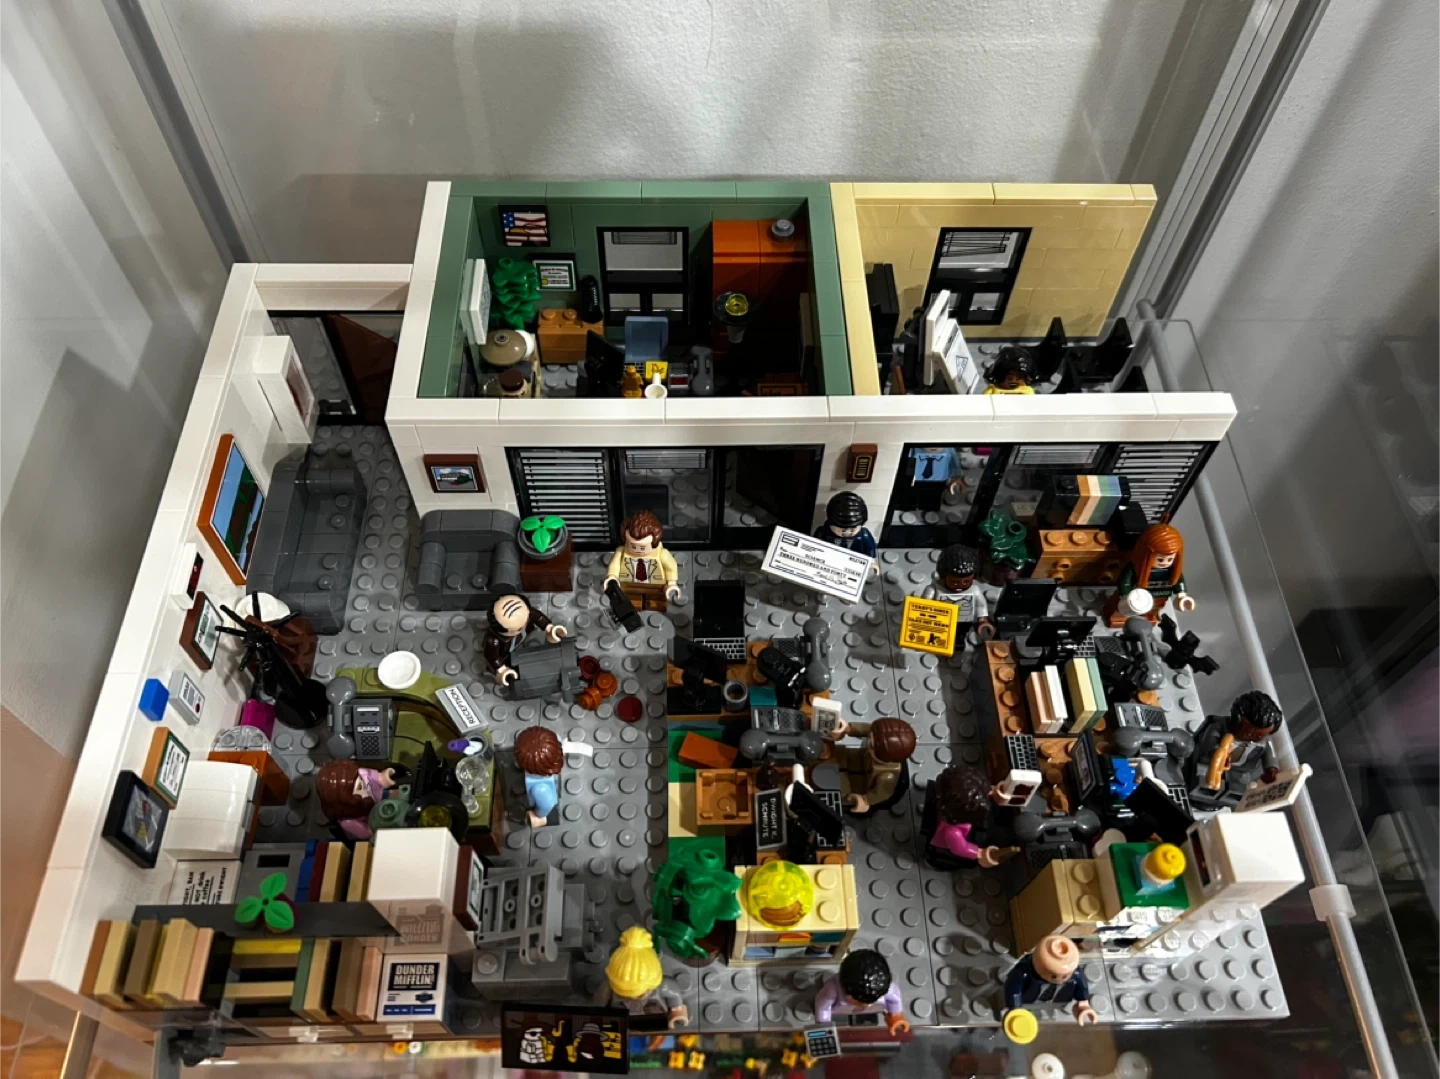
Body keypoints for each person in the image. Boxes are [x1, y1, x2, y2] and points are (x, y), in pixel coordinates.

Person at [1186, 690, 1284, 811]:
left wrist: (1271, 769)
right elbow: (1209, 741)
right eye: (1249, 733)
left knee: (1238, 791)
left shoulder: (1262, 743)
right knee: (1203, 780)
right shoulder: (1220, 726)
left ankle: (1224, 801)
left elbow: (1269, 755)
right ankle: (1200, 795)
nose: (1254, 739)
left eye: (1260, 736)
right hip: (1211, 763)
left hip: (1239, 771)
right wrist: (1216, 752)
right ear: (1237, 720)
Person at [593, 926, 689, 1028]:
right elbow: (599, 1004)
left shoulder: (662, 987)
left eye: (641, 994)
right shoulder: (609, 987)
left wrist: (677, 1012)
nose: (633, 998)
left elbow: (675, 996)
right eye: (625, 993)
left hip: (653, 1018)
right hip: (620, 1021)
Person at [1107, 523, 1194, 625]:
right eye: (1160, 559)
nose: (1165, 563)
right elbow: (1125, 582)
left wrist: (1181, 596)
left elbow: (1178, 580)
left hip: (1159, 597)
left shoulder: (1172, 571)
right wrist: (1125, 595)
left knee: (1154, 610)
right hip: (1136, 598)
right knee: (1123, 610)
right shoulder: (1136, 567)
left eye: (1170, 559)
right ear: (1145, 553)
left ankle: (1149, 618)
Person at [920, 765, 1005, 870]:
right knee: (968, 863)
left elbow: (978, 791)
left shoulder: (945, 793)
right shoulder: (953, 832)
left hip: (950, 820)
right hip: (950, 843)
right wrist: (980, 853)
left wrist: (995, 791)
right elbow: (961, 848)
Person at [826, 717, 916, 815]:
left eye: (872, 746)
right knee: (832, 753)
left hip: (860, 784)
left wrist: (865, 800)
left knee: (835, 789)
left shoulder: (887, 776)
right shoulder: (877, 737)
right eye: (870, 739)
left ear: (883, 756)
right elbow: (868, 729)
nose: (868, 742)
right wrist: (847, 729)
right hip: (857, 758)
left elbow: (881, 794)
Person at [1003, 935, 1098, 1025]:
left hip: (1056, 1002)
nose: (1060, 978)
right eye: (1054, 976)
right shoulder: (1024, 972)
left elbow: (1081, 984)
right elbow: (1013, 989)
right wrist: (1015, 1007)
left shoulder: (1074, 973)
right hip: (1028, 1001)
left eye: (1065, 976)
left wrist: (1083, 1003)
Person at [813, 949, 910, 1035]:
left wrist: (895, 1016)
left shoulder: (881, 988)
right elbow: (823, 1008)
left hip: (869, 1012)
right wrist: (824, 1024)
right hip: (839, 1010)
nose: (868, 1005)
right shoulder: (832, 990)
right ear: (850, 996)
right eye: (861, 1002)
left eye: (871, 1002)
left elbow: (895, 999)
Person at [482, 594, 567, 686]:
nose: (525, 625)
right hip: (505, 654)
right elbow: (492, 656)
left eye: (526, 621)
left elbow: (538, 617)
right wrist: (502, 669)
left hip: (521, 639)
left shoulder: (526, 614)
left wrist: (550, 629)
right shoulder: (493, 640)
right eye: (519, 628)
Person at [604, 510, 681, 612]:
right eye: (633, 546)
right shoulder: (621, 552)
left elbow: (671, 567)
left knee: (656, 601)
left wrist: (671, 583)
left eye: (642, 547)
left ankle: (654, 605)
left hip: (656, 585)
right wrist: (612, 577)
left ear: (654, 542)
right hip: (629, 584)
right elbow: (615, 565)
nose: (637, 550)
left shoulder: (662, 554)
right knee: (632, 601)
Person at [920, 544, 993, 641]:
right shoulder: (935, 589)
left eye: (966, 582)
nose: (961, 585)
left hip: (963, 622)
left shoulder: (974, 591)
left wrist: (983, 621)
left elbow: (980, 607)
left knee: (960, 636)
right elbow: (923, 607)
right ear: (944, 576)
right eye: (955, 582)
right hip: (939, 623)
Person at [316, 758, 398, 840]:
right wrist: (383, 823)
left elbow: (374, 777)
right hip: (376, 817)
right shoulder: (349, 822)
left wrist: (384, 778)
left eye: (361, 778)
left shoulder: (360, 774)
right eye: (360, 787)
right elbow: (368, 833)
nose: (365, 782)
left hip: (379, 798)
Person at [513, 725, 564, 828]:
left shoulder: (540, 788)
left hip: (542, 791)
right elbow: (557, 738)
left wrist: (538, 814)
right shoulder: (555, 739)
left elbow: (546, 806)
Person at [813, 492, 879, 570]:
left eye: (852, 530)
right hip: (828, 564)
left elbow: (870, 549)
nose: (847, 533)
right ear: (831, 524)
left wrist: (871, 562)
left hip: (853, 566)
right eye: (843, 530)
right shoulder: (823, 532)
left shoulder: (864, 535)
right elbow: (813, 548)